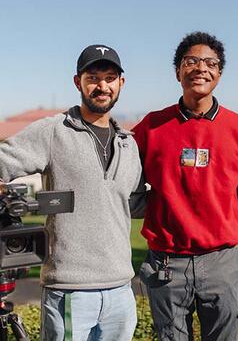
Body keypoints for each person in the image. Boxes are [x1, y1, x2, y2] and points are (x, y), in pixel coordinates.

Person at [0, 44, 144, 340]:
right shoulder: (53, 131)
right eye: (93, 77)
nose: (102, 86)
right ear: (78, 82)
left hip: (121, 291)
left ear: (121, 83)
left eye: (110, 77)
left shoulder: (129, 144)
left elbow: (135, 203)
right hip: (69, 291)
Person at [132, 31, 238, 341]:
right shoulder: (151, 127)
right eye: (190, 61)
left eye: (210, 62)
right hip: (166, 264)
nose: (200, 68)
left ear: (219, 73)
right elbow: (117, 173)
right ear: (178, 71)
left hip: (223, 263)